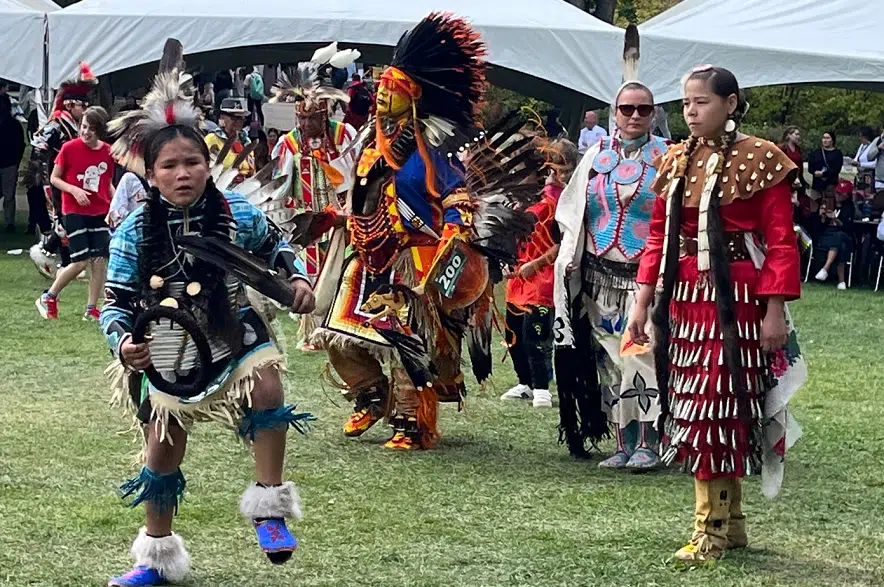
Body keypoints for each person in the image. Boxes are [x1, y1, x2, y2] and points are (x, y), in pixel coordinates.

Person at [101, 47, 316, 587]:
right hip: (167, 342)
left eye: (192, 163)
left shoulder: (237, 213)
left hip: (233, 324)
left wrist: (299, 280)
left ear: (208, 165)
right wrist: (124, 344)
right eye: (169, 166)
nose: (183, 174)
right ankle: (154, 559)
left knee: (266, 384)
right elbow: (115, 302)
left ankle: (269, 508)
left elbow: (279, 252)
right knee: (164, 445)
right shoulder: (133, 232)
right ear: (150, 175)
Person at [303, 14, 531, 449]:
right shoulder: (372, 144)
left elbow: (454, 194)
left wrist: (453, 230)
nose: (381, 96)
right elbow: (362, 196)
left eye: (391, 90)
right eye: (381, 88)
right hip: (369, 249)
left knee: (406, 339)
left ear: (412, 97)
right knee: (334, 329)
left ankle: (414, 423)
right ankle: (370, 395)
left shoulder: (430, 148)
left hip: (415, 256)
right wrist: (336, 218)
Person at [628, 65, 805, 563]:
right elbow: (658, 238)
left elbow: (779, 241)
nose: (691, 110)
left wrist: (774, 311)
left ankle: (711, 529)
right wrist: (642, 304)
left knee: (721, 407)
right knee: (702, 407)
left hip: (739, 303)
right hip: (686, 299)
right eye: (686, 102)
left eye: (701, 101)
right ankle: (733, 524)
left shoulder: (762, 159)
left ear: (730, 104)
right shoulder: (677, 159)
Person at [553, 82, 669, 468]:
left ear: (654, 114)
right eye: (626, 108)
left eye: (643, 109)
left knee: (640, 358)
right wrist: (571, 254)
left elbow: (676, 219)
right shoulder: (595, 157)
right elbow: (572, 211)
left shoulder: (667, 159)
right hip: (597, 277)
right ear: (613, 112)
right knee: (609, 363)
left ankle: (649, 443)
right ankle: (623, 444)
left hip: (643, 279)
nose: (634, 115)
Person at [268, 43, 359, 283]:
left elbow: (359, 179)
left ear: (325, 115)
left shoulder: (344, 136)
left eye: (313, 119)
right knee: (309, 283)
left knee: (343, 280)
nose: (307, 125)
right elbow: (280, 193)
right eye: (302, 118)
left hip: (344, 226)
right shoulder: (288, 145)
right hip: (306, 227)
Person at [502, 138, 578, 409]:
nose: (554, 173)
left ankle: (542, 388)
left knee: (534, 333)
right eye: (550, 166)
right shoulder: (524, 199)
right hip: (517, 277)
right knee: (513, 334)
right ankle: (524, 382)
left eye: (560, 167)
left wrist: (534, 265)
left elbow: (564, 242)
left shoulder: (562, 202)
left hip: (542, 277)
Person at [35, 106, 115, 321]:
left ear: (100, 131)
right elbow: (55, 178)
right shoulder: (69, 148)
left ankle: (92, 309)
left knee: (99, 260)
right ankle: (49, 296)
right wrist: (74, 190)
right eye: (83, 126)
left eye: (91, 128)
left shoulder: (107, 151)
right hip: (74, 211)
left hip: (99, 211)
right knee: (81, 261)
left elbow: (107, 183)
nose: (85, 132)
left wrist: (115, 205)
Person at [30, 63, 97, 270]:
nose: (85, 110)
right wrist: (48, 182)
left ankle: (55, 256)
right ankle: (59, 258)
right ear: (69, 105)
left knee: (68, 219)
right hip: (54, 179)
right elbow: (39, 151)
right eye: (82, 106)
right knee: (63, 219)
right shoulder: (56, 125)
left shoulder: (75, 126)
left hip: (68, 179)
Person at [813, 180, 855, 289]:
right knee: (842, 246)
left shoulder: (849, 207)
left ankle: (825, 268)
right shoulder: (829, 203)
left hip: (844, 234)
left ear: (846, 196)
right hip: (828, 235)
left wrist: (835, 218)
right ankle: (842, 282)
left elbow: (848, 227)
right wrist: (822, 216)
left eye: (840, 194)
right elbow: (819, 226)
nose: (837, 195)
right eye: (836, 193)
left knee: (839, 236)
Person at [204, 97, 254, 185]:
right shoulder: (212, 139)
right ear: (222, 118)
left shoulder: (246, 140)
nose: (238, 121)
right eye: (234, 117)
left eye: (241, 118)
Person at [0, 93, 25, 232]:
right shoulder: (15, 125)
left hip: (9, 162)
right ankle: (9, 222)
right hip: (10, 162)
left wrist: (16, 161)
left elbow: (20, 145)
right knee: (9, 195)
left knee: (9, 195)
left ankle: (10, 222)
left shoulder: (14, 125)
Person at [778, 126, 810, 221]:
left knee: (798, 203)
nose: (798, 136)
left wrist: (801, 179)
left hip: (797, 179)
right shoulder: (782, 148)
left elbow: (800, 165)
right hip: (786, 179)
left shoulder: (798, 149)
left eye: (799, 134)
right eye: (796, 134)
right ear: (788, 135)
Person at [807, 131, 843, 202]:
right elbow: (810, 167)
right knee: (814, 208)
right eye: (823, 138)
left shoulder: (837, 154)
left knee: (829, 208)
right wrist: (814, 172)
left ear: (832, 140)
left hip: (830, 186)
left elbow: (836, 169)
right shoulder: (815, 153)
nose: (825, 140)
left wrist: (824, 174)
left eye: (827, 138)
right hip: (816, 186)